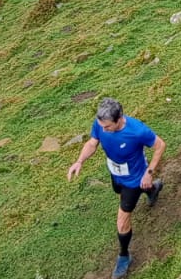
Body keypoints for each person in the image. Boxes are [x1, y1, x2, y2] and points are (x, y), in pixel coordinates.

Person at [68, 98, 167, 278]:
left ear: (119, 119)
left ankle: (124, 256)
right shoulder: (101, 123)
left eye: (107, 127)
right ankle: (152, 190)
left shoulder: (137, 131)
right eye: (101, 126)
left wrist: (149, 173)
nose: (104, 130)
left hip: (134, 180)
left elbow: (160, 146)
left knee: (122, 220)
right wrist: (79, 161)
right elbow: (92, 143)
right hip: (116, 174)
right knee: (121, 192)